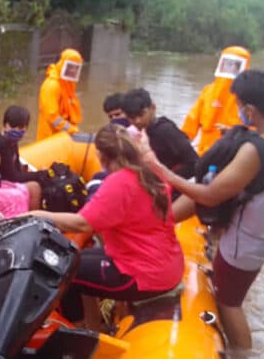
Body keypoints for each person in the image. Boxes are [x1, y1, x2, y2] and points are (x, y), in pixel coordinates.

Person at [142, 70, 264, 349]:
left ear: (249, 109)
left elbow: (210, 196)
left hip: (251, 238)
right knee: (207, 181)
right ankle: (161, 224)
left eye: (239, 106)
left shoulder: (256, 152)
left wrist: (161, 170)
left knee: (228, 301)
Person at [27, 124, 184, 329]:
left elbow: (82, 223)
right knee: (75, 258)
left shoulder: (119, 183)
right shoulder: (149, 172)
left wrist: (37, 215)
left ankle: (76, 332)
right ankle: (92, 327)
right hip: (162, 263)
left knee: (61, 270)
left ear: (100, 155)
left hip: (141, 274)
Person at [181, 46, 251, 154]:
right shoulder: (208, 91)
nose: (231, 69)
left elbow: (256, 133)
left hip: (232, 155)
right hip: (204, 154)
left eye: (235, 66)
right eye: (228, 64)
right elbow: (190, 125)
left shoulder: (248, 97)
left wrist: (233, 133)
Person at [0, 105, 43, 216]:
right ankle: (33, 217)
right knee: (35, 186)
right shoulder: (0, 143)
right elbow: (13, 176)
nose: (18, 131)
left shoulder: (12, 142)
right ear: (5, 125)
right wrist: (39, 175)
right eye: (14, 127)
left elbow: (17, 168)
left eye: (22, 127)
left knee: (39, 181)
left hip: (9, 180)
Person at [122, 88, 198, 181]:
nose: (138, 121)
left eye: (141, 115)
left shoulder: (167, 131)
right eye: (132, 117)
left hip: (170, 185)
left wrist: (165, 179)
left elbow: (194, 163)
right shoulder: (141, 133)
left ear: (152, 108)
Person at [36, 48, 83, 140]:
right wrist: (71, 129)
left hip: (63, 136)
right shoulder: (52, 85)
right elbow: (52, 116)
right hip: (50, 138)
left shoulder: (67, 85)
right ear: (63, 65)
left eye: (76, 68)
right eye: (70, 67)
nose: (73, 71)